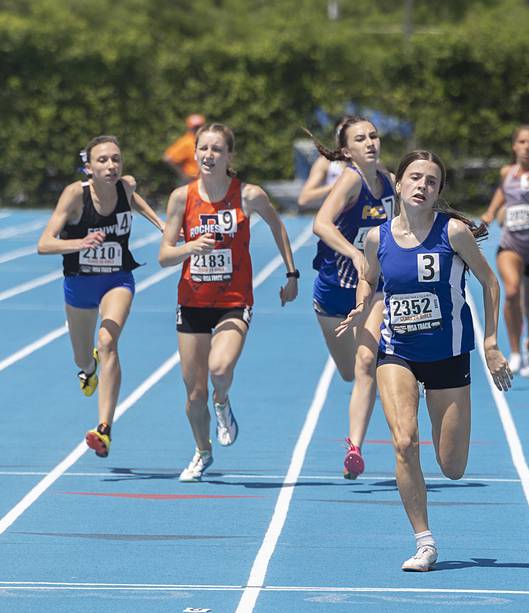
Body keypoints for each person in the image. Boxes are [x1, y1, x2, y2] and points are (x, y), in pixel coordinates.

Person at [337, 150, 511, 572]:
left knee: (452, 467)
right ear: (397, 184)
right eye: (414, 178)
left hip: (449, 355)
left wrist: (490, 343)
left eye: (431, 181)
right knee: (403, 441)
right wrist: (362, 306)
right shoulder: (378, 238)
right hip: (397, 351)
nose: (421, 186)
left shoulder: (453, 233)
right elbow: (370, 278)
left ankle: (446, 431)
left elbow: (490, 282)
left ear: (438, 192)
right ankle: (424, 541)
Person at [158, 123, 299, 482]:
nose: (208, 155)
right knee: (194, 393)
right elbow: (165, 256)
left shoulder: (248, 195)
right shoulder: (181, 198)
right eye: (203, 148)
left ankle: (223, 403)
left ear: (229, 156)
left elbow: (278, 226)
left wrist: (291, 274)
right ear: (194, 154)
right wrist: (190, 247)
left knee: (219, 370)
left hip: (234, 300)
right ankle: (203, 451)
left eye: (217, 149)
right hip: (191, 302)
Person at [37, 135, 165, 457]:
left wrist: (161, 224)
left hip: (117, 280)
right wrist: (80, 243)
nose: (111, 165)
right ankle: (89, 369)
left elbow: (133, 197)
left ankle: (104, 429)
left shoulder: (126, 185)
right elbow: (44, 244)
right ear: (89, 167)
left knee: (108, 340)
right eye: (103, 160)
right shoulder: (75, 196)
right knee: (82, 357)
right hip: (79, 283)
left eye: (115, 159)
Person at [309, 116, 396, 479]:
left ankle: (355, 449)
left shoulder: (390, 181)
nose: (370, 143)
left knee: (365, 365)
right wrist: (354, 252)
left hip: (373, 291)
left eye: (373, 136)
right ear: (347, 151)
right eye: (360, 139)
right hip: (333, 291)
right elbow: (321, 223)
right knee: (349, 372)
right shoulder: (349, 180)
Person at [480, 125, 529, 379]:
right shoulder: (507, 171)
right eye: (522, 142)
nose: (526, 147)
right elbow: (503, 192)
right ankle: (515, 351)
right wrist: (490, 214)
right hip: (511, 244)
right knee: (511, 292)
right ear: (514, 146)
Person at [297, 117, 349, 209]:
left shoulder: (370, 163)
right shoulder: (326, 162)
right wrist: (335, 186)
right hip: (335, 220)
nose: (343, 137)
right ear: (335, 136)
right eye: (341, 132)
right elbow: (304, 198)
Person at [163, 113, 206, 183]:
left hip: (204, 179)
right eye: (196, 127)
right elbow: (168, 158)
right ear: (190, 127)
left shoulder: (204, 140)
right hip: (192, 180)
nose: (198, 129)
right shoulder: (187, 142)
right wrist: (183, 175)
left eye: (200, 126)